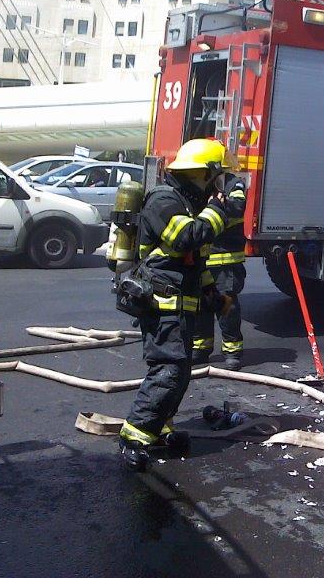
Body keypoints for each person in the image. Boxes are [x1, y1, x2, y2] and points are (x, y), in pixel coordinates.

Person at [119, 138, 228, 471]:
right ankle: (134, 434)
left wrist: (213, 294)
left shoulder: (185, 203)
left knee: (179, 371)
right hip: (161, 303)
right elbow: (185, 238)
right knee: (168, 370)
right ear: (203, 173)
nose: (219, 183)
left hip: (179, 304)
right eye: (217, 175)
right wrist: (219, 210)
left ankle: (158, 426)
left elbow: (195, 259)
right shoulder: (163, 200)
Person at [193, 152, 247, 370]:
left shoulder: (234, 184)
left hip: (226, 258)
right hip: (203, 256)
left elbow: (237, 208)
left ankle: (232, 351)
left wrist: (213, 206)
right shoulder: (201, 185)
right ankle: (201, 348)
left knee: (227, 306)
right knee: (201, 305)